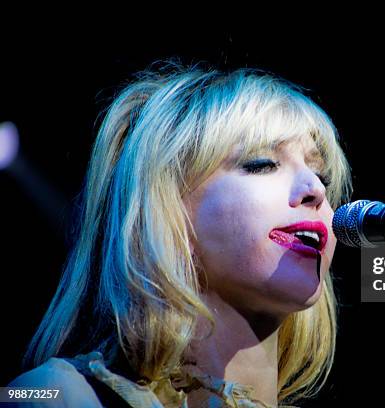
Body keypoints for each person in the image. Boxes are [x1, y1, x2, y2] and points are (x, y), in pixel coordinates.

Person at [7, 62, 352, 407]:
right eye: (261, 163)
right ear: (165, 209)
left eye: (323, 177)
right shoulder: (57, 396)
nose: (315, 190)